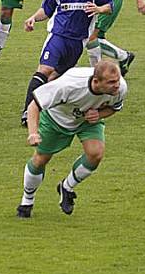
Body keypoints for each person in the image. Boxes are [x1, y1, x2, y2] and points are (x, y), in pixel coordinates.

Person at [16, 61, 127, 218]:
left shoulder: (120, 88)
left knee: (96, 154)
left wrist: (99, 115)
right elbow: (34, 105)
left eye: (117, 80)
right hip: (56, 120)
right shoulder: (69, 84)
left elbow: (113, 108)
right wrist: (32, 133)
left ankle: (66, 187)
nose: (117, 85)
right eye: (111, 82)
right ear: (96, 81)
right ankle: (27, 201)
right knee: (41, 159)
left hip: (86, 121)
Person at [21, 0, 113, 126]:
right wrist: (33, 18)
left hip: (78, 41)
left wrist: (99, 8)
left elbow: (110, 6)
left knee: (55, 77)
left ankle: (46, 109)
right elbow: (46, 10)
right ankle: (27, 112)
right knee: (44, 70)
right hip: (57, 36)